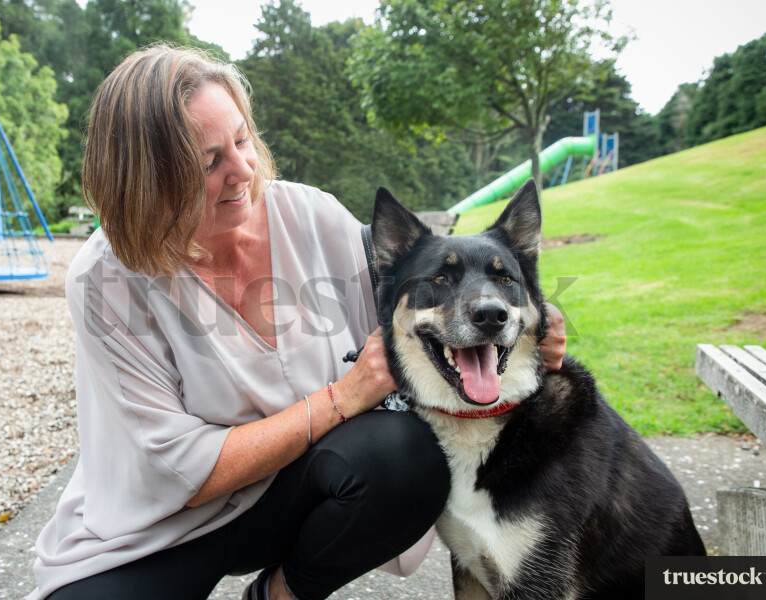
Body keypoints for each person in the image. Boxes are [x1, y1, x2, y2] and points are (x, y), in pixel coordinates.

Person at [29, 45, 567, 600]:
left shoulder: (308, 214)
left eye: (242, 140)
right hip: (160, 525)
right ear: (146, 182)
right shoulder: (105, 279)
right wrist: (342, 397)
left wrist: (530, 323)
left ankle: (281, 595)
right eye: (208, 162)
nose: (244, 170)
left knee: (404, 456)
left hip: (291, 499)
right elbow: (177, 474)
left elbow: (426, 280)